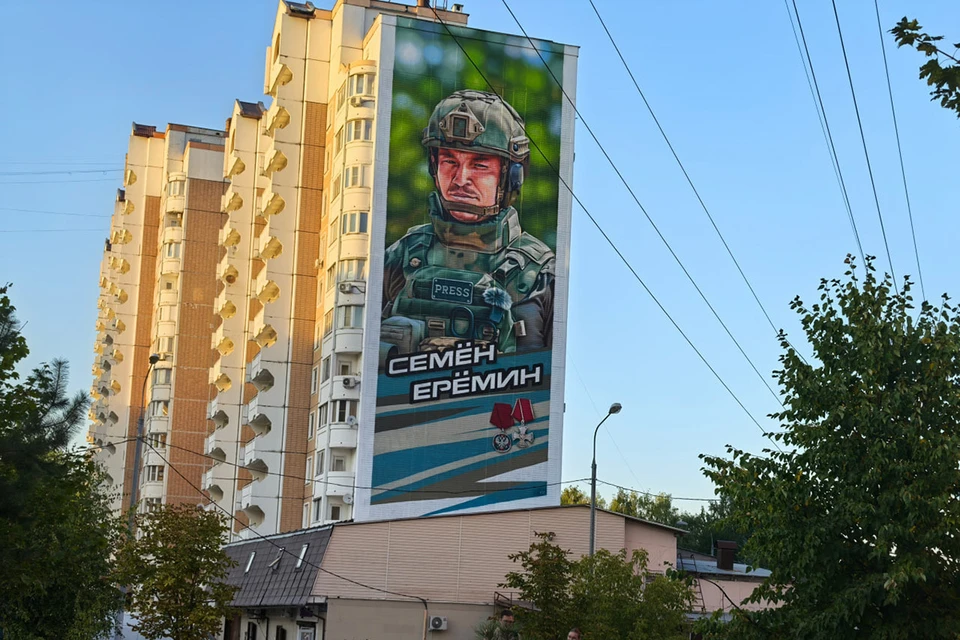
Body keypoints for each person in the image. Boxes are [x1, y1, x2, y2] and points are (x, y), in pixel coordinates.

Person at [380, 89, 555, 358]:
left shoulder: (541, 274)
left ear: (512, 177)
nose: (461, 179)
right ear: (433, 167)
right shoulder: (402, 254)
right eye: (449, 161)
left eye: (479, 165)